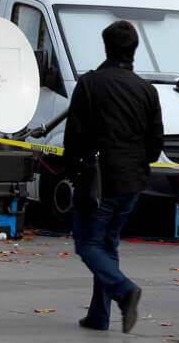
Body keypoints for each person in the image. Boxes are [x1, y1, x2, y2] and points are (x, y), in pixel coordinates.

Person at [62, 20, 164, 333]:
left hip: (99, 181)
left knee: (87, 244)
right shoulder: (146, 90)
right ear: (134, 50)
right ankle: (98, 315)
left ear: (105, 48)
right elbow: (155, 142)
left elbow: (74, 136)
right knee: (107, 245)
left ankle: (124, 291)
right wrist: (138, 165)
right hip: (132, 182)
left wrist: (71, 170)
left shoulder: (90, 83)